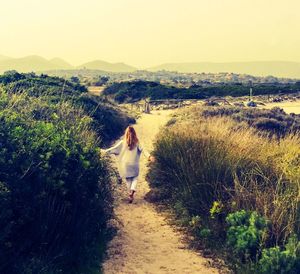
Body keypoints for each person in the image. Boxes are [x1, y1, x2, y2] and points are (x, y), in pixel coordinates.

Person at [104, 126, 154, 203]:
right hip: (134, 164)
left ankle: (130, 194)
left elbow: (113, 149)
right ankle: (132, 191)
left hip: (125, 165)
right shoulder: (137, 142)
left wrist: (104, 152)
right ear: (134, 133)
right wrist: (149, 156)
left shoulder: (122, 143)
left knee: (128, 179)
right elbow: (144, 150)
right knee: (135, 178)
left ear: (126, 134)